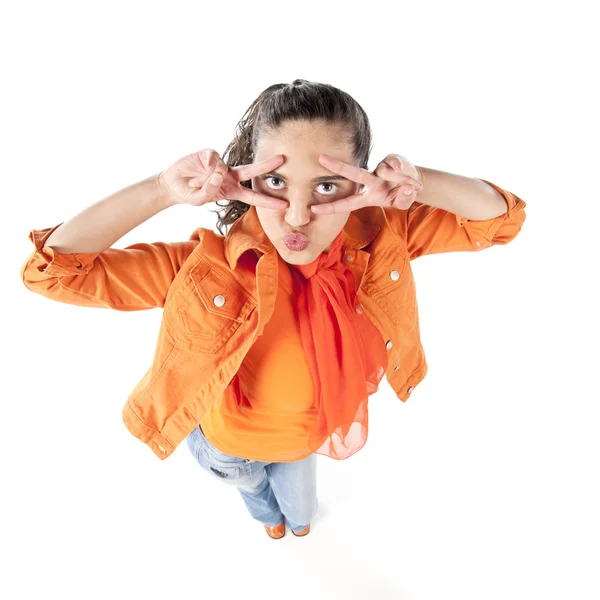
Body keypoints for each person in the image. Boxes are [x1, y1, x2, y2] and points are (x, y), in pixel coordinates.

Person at [20, 78, 527, 540]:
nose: (299, 216)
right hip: (229, 442)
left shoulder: (380, 241)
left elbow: (501, 221)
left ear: (359, 185)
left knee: (300, 509)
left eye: (326, 187)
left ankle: (294, 526)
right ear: (248, 179)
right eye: (277, 184)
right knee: (253, 493)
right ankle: (268, 520)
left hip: (307, 436)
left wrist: (419, 184)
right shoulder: (204, 268)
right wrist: (160, 190)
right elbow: (53, 273)